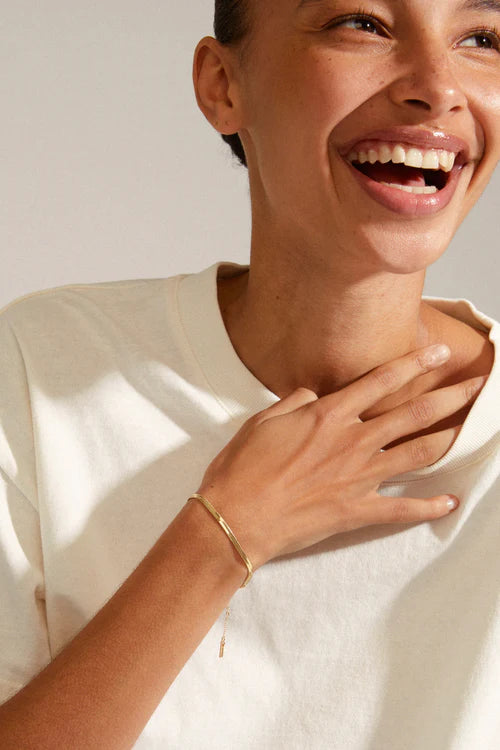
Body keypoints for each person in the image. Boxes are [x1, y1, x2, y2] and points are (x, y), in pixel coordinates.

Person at [0, 0, 498, 747]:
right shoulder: (45, 366)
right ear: (223, 85)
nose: (438, 86)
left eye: (482, 38)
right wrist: (224, 534)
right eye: (361, 23)